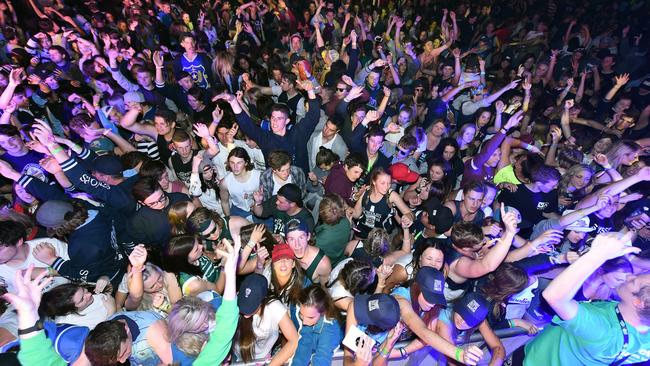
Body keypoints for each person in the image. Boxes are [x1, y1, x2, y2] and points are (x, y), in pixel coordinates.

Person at [521, 231, 650, 365]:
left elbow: (554, 297)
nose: (629, 277)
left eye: (634, 281)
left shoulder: (604, 331)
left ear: (639, 303)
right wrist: (633, 259)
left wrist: (599, 253)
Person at [234, 273, 299, 365]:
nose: (245, 313)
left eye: (251, 305)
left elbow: (294, 340)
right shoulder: (232, 301)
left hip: (263, 361)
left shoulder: (273, 307)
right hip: (236, 359)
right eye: (243, 302)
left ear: (262, 300)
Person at [290, 284, 343, 366]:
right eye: (301, 315)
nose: (304, 322)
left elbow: (322, 358)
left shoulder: (330, 329)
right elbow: (304, 344)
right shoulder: (305, 314)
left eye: (310, 317)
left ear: (323, 312)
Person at [285, 217, 332, 286]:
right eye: (292, 239)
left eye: (301, 237)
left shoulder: (323, 264)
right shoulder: (285, 255)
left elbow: (325, 291)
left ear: (308, 236)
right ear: (286, 242)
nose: (297, 245)